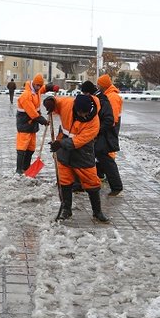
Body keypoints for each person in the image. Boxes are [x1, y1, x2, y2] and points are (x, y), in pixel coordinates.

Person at [43, 93, 109, 222]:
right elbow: (56, 102)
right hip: (63, 150)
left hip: (83, 152)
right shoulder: (68, 104)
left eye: (84, 113)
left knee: (91, 181)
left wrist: (60, 144)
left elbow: (79, 140)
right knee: (65, 180)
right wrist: (49, 101)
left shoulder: (94, 123)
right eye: (80, 113)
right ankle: (66, 209)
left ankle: (97, 212)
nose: (82, 116)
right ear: (74, 108)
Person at [82, 75, 123, 196]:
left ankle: (115, 186)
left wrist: (97, 130)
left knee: (105, 157)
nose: (98, 85)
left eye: (99, 84)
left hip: (106, 132)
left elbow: (111, 119)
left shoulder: (109, 97)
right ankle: (97, 179)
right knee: (100, 156)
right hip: (103, 132)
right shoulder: (101, 97)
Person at [15, 73, 58, 174]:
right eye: (37, 85)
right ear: (33, 84)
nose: (39, 87)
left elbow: (44, 88)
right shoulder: (26, 95)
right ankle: (19, 169)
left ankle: (26, 167)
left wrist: (52, 87)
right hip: (24, 124)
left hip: (32, 126)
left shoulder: (37, 91)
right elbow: (32, 113)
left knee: (31, 148)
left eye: (40, 85)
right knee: (22, 148)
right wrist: (43, 121)